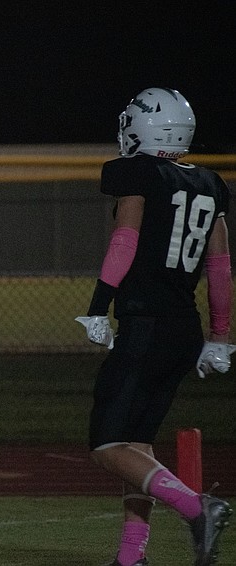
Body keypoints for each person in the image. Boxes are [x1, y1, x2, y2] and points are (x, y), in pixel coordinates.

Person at [75, 87, 233, 566]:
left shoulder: (136, 172)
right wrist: (221, 337)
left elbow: (125, 240)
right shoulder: (210, 182)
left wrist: (99, 306)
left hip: (146, 324)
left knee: (106, 444)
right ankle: (131, 557)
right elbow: (221, 268)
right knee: (137, 445)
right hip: (183, 329)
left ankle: (196, 507)